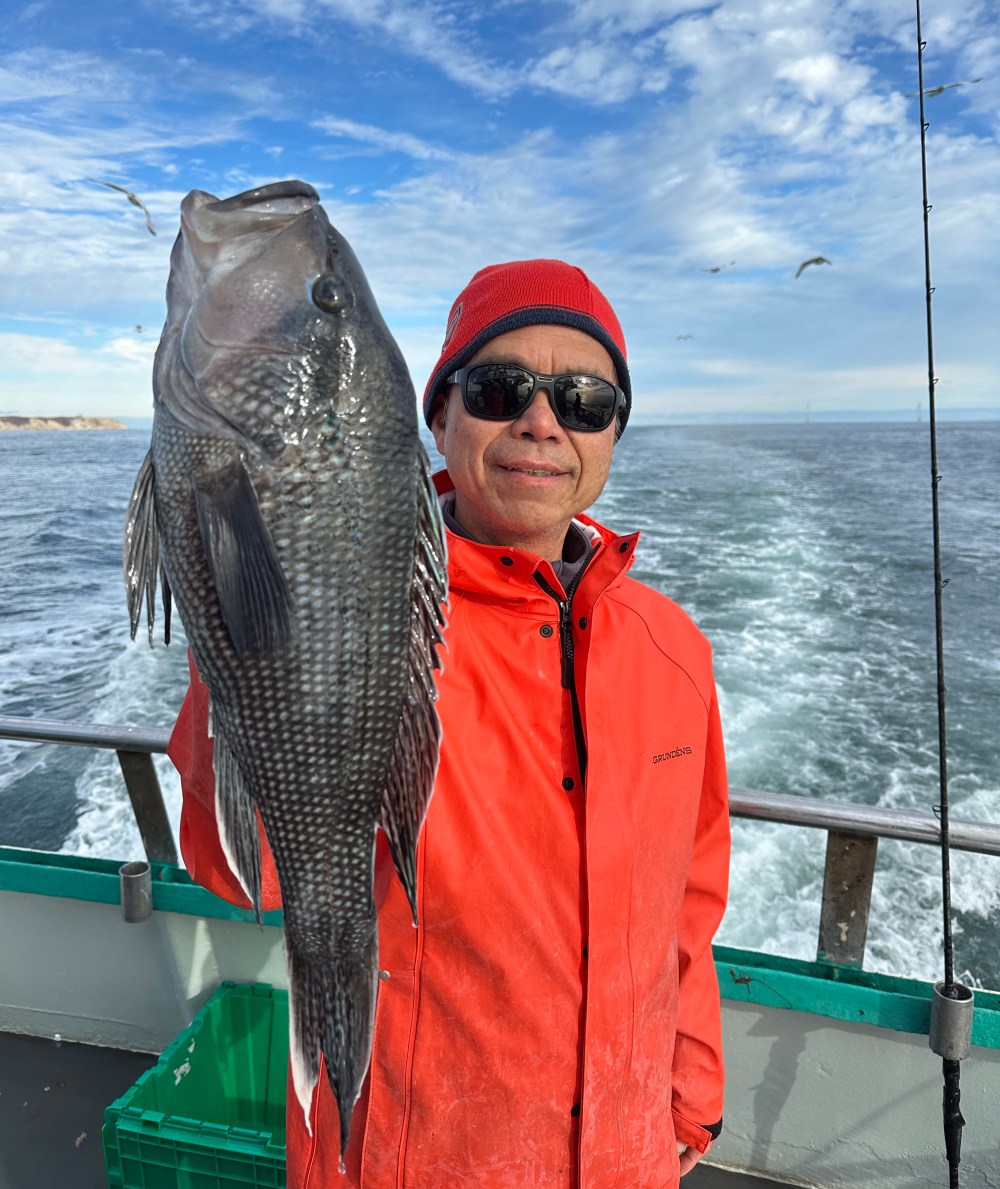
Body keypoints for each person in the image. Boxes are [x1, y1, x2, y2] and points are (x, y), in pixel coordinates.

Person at [169, 258, 731, 1187]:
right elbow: (242, 867)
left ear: (613, 434)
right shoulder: (354, 620)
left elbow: (690, 905)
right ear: (436, 417)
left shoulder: (673, 647)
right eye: (500, 387)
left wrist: (688, 1101)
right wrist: (242, 621)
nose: (542, 421)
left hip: (633, 1156)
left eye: (585, 400)